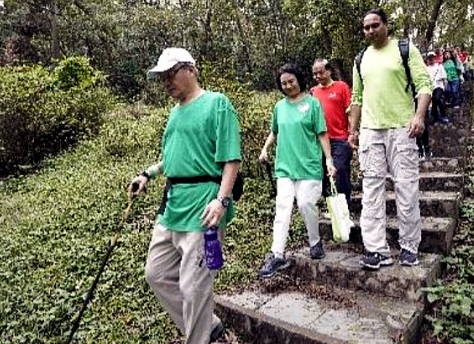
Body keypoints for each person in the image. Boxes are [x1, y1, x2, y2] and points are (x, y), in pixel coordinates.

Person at [129, 47, 241, 344]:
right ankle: (209, 325)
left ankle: (198, 337)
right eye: (162, 77)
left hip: (204, 205)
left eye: (171, 74)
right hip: (173, 205)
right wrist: (147, 174)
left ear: (190, 69)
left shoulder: (217, 104)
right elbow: (172, 158)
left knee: (194, 288)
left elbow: (231, 159)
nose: (166, 82)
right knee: (156, 273)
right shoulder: (175, 113)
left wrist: (222, 199)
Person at [348, 8, 432, 269]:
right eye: (366, 27)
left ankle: (409, 246)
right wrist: (353, 129)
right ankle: (376, 250)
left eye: (375, 25)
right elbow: (357, 99)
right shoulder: (360, 59)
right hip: (371, 132)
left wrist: (419, 116)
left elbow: (424, 85)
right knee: (371, 192)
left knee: (406, 188)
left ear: (386, 25)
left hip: (401, 129)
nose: (370, 30)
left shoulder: (404, 49)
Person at [258, 63, 336, 279]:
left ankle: (315, 241)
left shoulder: (313, 104)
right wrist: (265, 149)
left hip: (309, 165)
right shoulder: (279, 107)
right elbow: (274, 132)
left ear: (299, 80)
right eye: (283, 83)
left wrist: (328, 159)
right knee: (282, 208)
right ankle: (277, 254)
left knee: (305, 204)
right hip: (284, 166)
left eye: (291, 81)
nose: (288, 86)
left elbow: (321, 133)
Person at [311, 58, 353, 206]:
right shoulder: (314, 92)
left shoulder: (341, 87)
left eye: (321, 72)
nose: (318, 76)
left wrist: (352, 132)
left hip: (340, 138)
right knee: (323, 174)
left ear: (329, 71)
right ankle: (329, 205)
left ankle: (345, 206)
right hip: (320, 141)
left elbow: (350, 110)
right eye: (315, 74)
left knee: (340, 169)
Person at [426, 51, 449, 123]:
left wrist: (445, 86)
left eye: (432, 57)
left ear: (434, 57)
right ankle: (435, 116)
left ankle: (443, 115)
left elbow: (444, 76)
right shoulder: (426, 68)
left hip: (439, 86)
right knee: (433, 101)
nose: (431, 59)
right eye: (430, 58)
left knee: (437, 99)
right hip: (430, 87)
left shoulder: (439, 66)